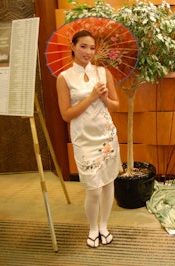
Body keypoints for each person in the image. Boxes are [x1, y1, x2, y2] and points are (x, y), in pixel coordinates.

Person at [56, 30, 120, 248]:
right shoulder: (64, 78)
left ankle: (104, 225)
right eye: (83, 46)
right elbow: (66, 114)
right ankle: (92, 227)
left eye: (92, 48)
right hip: (84, 139)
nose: (88, 52)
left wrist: (103, 98)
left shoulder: (103, 73)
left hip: (107, 136)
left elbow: (116, 105)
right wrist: (91, 97)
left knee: (108, 182)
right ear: (73, 46)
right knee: (93, 189)